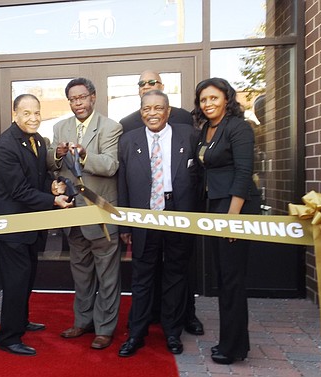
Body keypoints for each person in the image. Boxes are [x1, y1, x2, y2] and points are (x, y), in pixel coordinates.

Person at [119, 69, 205, 337]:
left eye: (158, 108)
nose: (152, 112)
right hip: (144, 216)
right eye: (147, 108)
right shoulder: (128, 140)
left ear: (168, 111)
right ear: (141, 111)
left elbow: (199, 177)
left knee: (175, 274)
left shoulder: (187, 135)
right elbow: (122, 181)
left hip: (177, 212)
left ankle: (172, 332)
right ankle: (137, 333)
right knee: (142, 276)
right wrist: (125, 224)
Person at [0, 94, 73, 356]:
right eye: (27, 113)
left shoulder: (38, 140)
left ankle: (21, 322)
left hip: (32, 225)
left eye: (37, 112)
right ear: (15, 113)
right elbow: (18, 190)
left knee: (26, 279)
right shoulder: (5, 146)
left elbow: (37, 177)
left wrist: (52, 184)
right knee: (16, 282)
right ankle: (8, 337)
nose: (33, 118)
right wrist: (53, 200)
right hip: (14, 227)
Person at [47, 77, 122, 350]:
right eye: (72, 99)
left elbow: (111, 165)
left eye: (81, 97)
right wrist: (56, 154)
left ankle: (104, 328)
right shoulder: (60, 127)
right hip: (73, 214)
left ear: (93, 97)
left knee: (108, 276)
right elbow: (51, 165)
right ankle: (83, 321)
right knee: (81, 273)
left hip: (99, 214)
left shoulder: (111, 127)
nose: (77, 103)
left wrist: (85, 155)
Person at [192, 77, 260, 365]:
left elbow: (244, 173)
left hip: (235, 208)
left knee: (232, 280)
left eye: (214, 98)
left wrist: (232, 219)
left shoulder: (239, 128)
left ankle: (232, 348)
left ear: (227, 99)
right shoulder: (206, 129)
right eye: (203, 100)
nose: (208, 104)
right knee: (224, 278)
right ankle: (233, 343)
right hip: (215, 208)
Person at [119, 70, 194, 134]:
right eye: (142, 84)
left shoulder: (183, 117)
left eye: (152, 82)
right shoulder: (127, 124)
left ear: (162, 87)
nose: (146, 86)